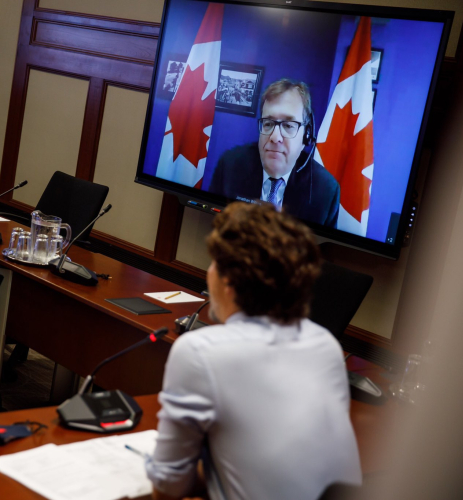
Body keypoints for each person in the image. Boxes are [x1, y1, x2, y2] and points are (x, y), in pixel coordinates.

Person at [145, 202, 360, 500]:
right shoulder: (325, 345)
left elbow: (169, 487)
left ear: (229, 281)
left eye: (214, 263)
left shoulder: (200, 352)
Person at [208, 79, 340, 228]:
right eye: (268, 124)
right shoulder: (229, 166)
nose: (275, 137)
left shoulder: (326, 190)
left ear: (306, 136)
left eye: (288, 125)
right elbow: (216, 226)